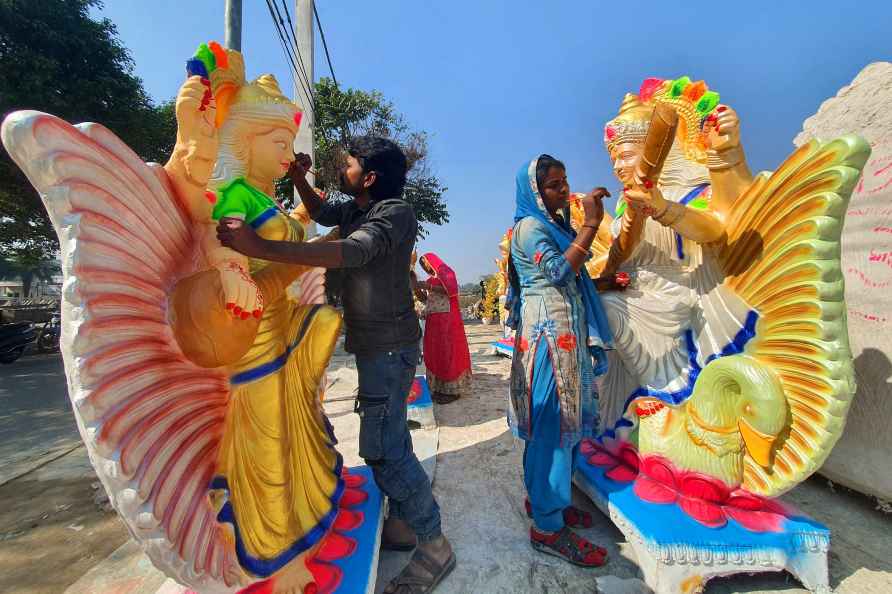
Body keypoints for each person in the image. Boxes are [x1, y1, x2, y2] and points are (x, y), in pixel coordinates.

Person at [217, 136, 455, 594]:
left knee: (382, 451)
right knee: (393, 437)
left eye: (347, 165)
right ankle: (405, 526)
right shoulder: (354, 210)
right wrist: (297, 180)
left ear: (368, 178)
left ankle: (434, 543)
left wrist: (257, 247)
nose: (340, 169)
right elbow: (325, 215)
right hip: (376, 346)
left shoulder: (393, 213)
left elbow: (351, 251)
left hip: (390, 349)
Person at [506, 154, 613, 567]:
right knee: (551, 427)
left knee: (564, 424)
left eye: (565, 182)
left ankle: (549, 501)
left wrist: (602, 280)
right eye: (553, 185)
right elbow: (555, 273)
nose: (564, 190)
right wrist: (591, 225)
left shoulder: (553, 226)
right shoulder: (531, 227)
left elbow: (575, 272)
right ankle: (547, 528)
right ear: (534, 191)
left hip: (563, 337)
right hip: (548, 340)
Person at [417, 253, 473, 403]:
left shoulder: (446, 272)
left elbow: (452, 290)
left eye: (425, 263)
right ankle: (438, 388)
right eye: (422, 265)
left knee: (448, 352)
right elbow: (426, 299)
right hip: (433, 320)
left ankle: (452, 390)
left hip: (446, 320)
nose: (424, 266)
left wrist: (428, 286)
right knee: (435, 352)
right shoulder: (430, 279)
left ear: (431, 261)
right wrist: (416, 288)